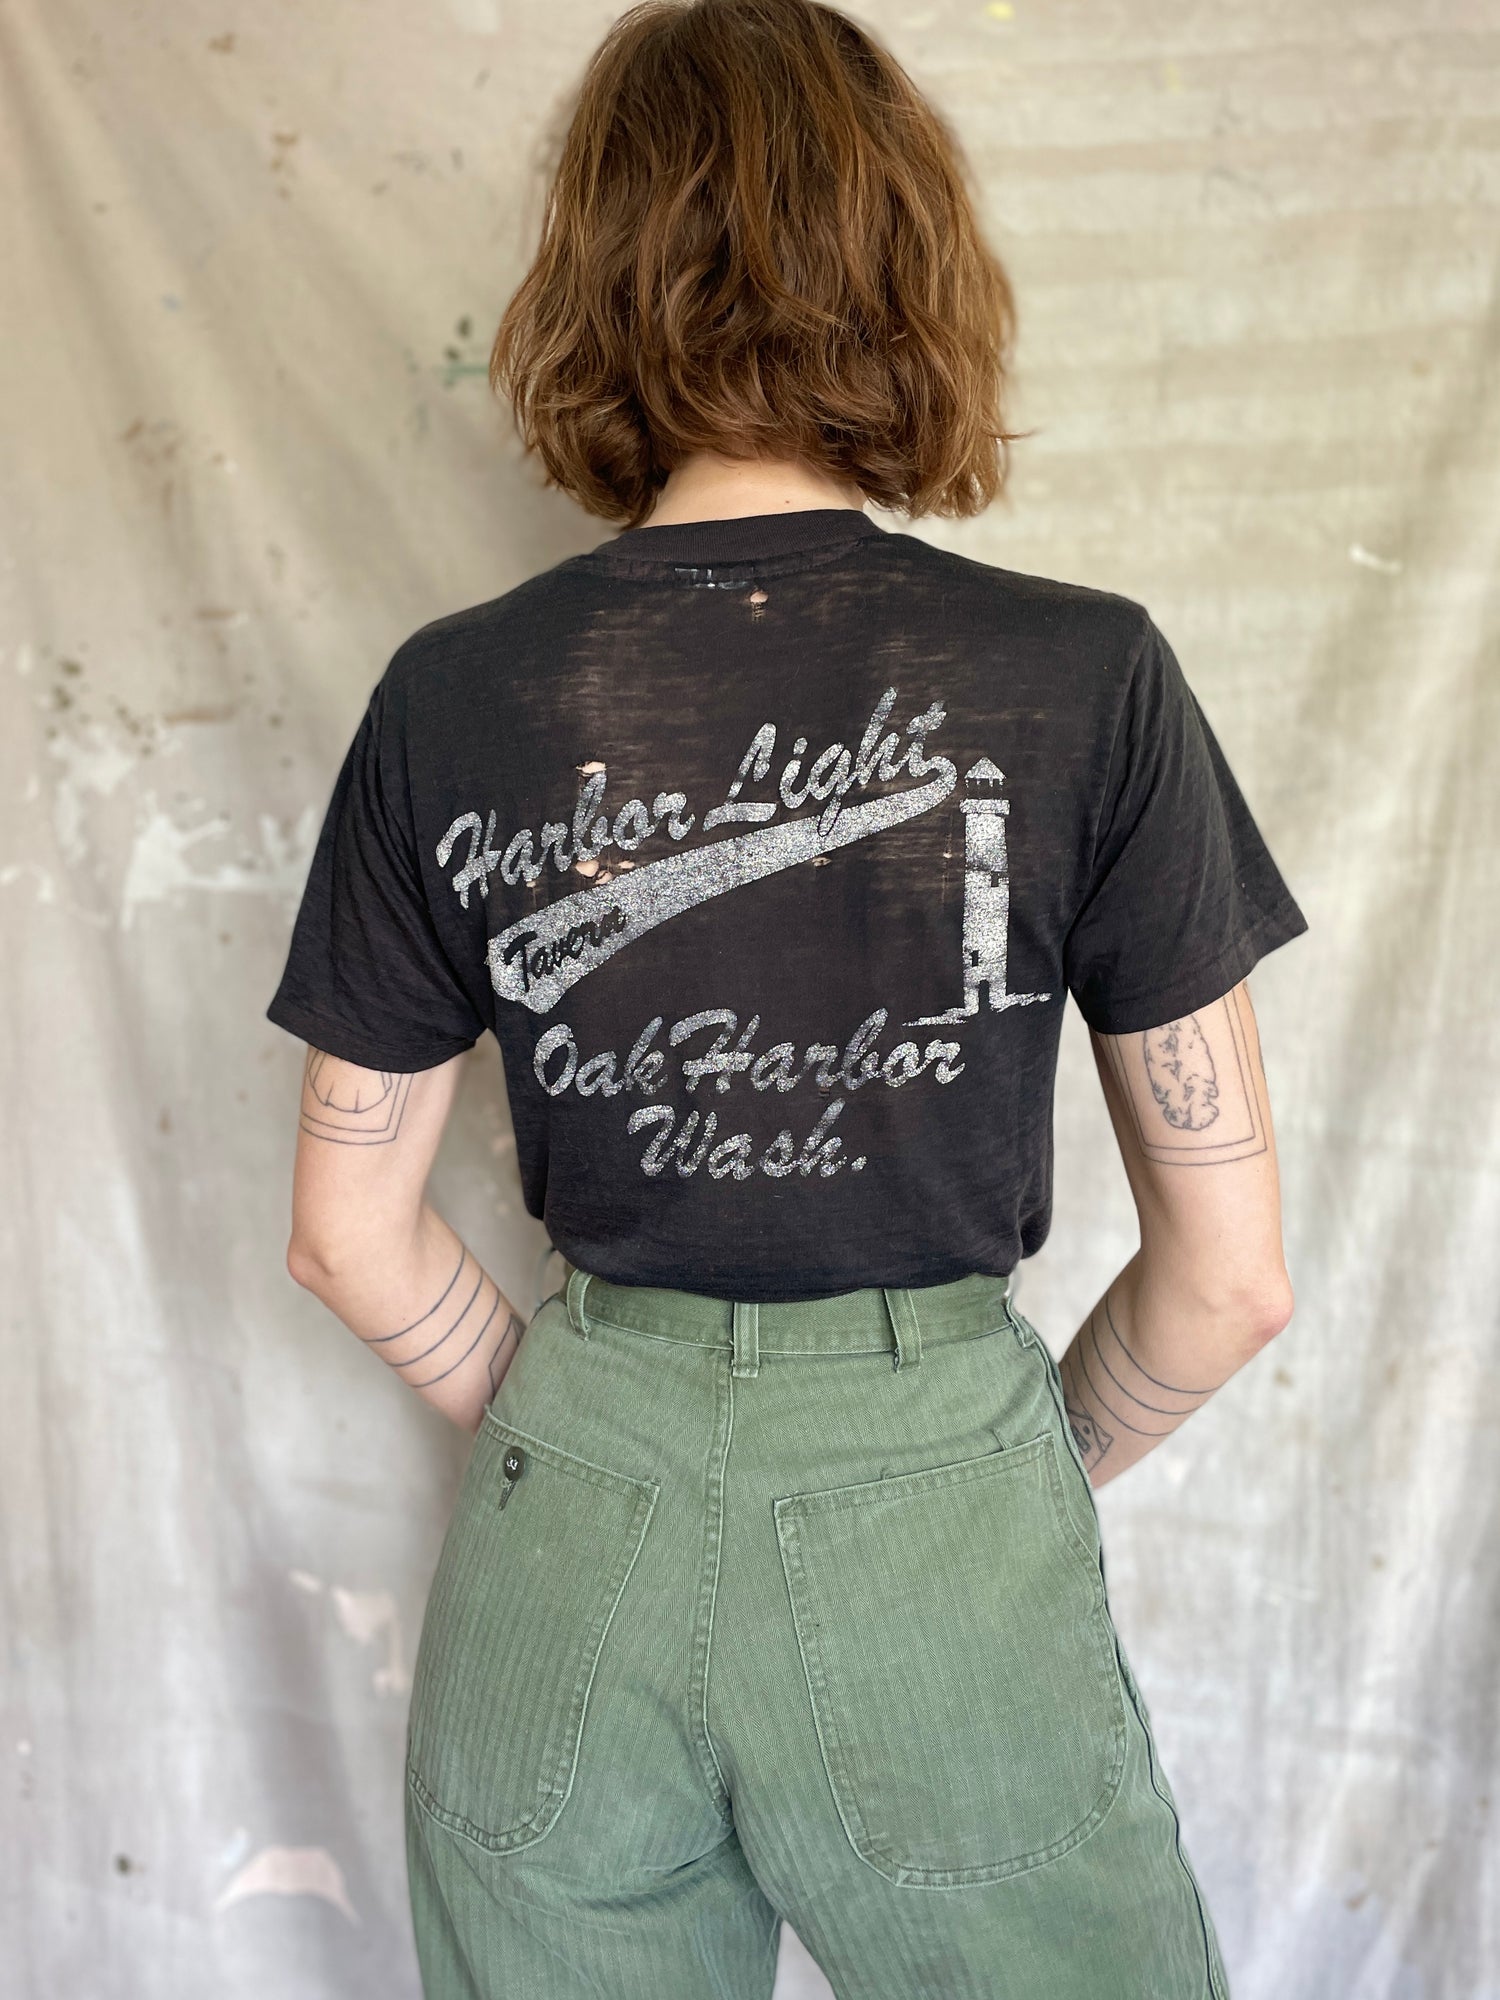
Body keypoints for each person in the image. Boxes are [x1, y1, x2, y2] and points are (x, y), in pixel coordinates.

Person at [265, 1, 1308, 1993]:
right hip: (939, 1509)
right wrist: (983, 1465)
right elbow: (1235, 1280)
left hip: (570, 1511)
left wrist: (591, 1429)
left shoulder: (449, 696)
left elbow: (342, 1231)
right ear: (910, 259)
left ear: (594, 272)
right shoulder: (1087, 678)